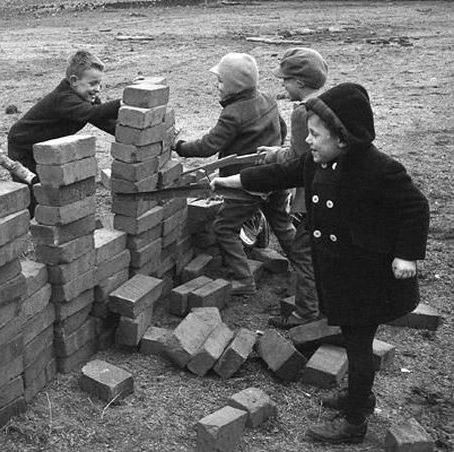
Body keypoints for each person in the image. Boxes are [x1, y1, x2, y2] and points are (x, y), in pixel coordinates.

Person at [210, 82, 429, 444]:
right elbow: (279, 174)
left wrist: (406, 254)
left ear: (343, 138)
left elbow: (415, 207)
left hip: (369, 279)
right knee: (348, 333)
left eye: (315, 135)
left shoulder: (379, 169)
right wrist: (230, 181)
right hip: (340, 272)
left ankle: (355, 419)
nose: (308, 141)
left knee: (358, 348)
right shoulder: (317, 161)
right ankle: (358, 395)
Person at [173, 52, 295, 295]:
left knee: (225, 228)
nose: (217, 86)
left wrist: (179, 146)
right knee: (282, 223)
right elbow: (281, 128)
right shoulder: (268, 99)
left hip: (245, 183)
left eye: (220, 82)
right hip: (275, 176)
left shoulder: (233, 114)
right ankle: (305, 268)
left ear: (234, 86)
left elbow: (209, 145)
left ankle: (244, 280)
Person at [259, 47, 329, 328]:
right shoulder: (326, 103)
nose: (283, 86)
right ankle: (327, 299)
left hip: (309, 196)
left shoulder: (302, 113)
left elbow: (300, 162)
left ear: (299, 82)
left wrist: (273, 156)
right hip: (329, 192)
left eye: (285, 80)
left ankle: (305, 313)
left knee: (303, 254)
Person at [7, 50, 121, 216]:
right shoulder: (64, 98)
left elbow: (104, 121)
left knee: (52, 185)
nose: (97, 89)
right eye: (92, 84)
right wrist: (121, 102)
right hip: (24, 145)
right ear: (74, 81)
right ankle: (31, 222)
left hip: (46, 146)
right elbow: (91, 114)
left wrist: (132, 135)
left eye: (100, 84)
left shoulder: (87, 99)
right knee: (35, 191)